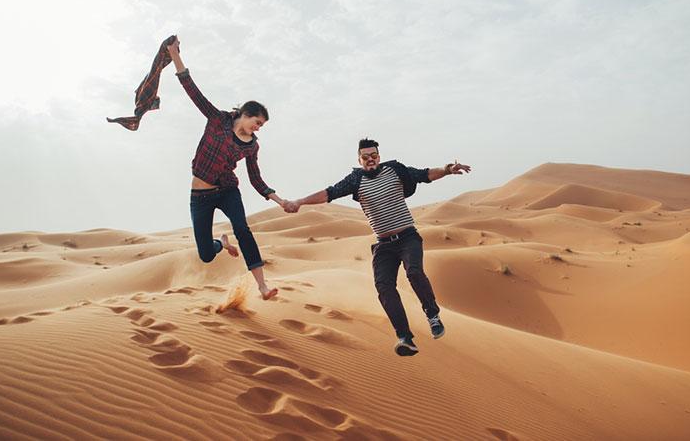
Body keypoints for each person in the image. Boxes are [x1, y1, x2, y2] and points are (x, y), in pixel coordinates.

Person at [283, 138, 471, 356]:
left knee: (414, 272)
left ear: (379, 157)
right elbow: (329, 193)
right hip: (384, 245)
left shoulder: (395, 170)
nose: (370, 160)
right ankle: (405, 337)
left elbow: (424, 174)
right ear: (359, 159)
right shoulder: (355, 180)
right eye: (366, 157)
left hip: (408, 237)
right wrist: (299, 201)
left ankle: (432, 315)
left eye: (374, 156)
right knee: (383, 287)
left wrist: (447, 169)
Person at [167, 37, 282, 301]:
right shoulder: (217, 119)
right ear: (245, 113)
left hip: (227, 190)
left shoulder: (252, 147)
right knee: (206, 254)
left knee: (243, 229)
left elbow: (255, 179)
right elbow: (192, 90)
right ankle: (222, 243)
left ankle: (263, 286)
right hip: (200, 196)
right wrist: (174, 55)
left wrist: (276, 198)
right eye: (257, 121)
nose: (258, 127)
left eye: (262, 125)